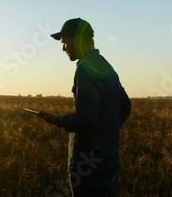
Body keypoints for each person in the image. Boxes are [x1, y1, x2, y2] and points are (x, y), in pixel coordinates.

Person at [38, 18, 131, 197]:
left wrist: (56, 119)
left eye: (65, 42)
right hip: (108, 161)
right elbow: (126, 105)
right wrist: (108, 131)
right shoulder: (105, 66)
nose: (63, 48)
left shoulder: (85, 69)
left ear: (79, 39)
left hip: (88, 168)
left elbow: (85, 119)